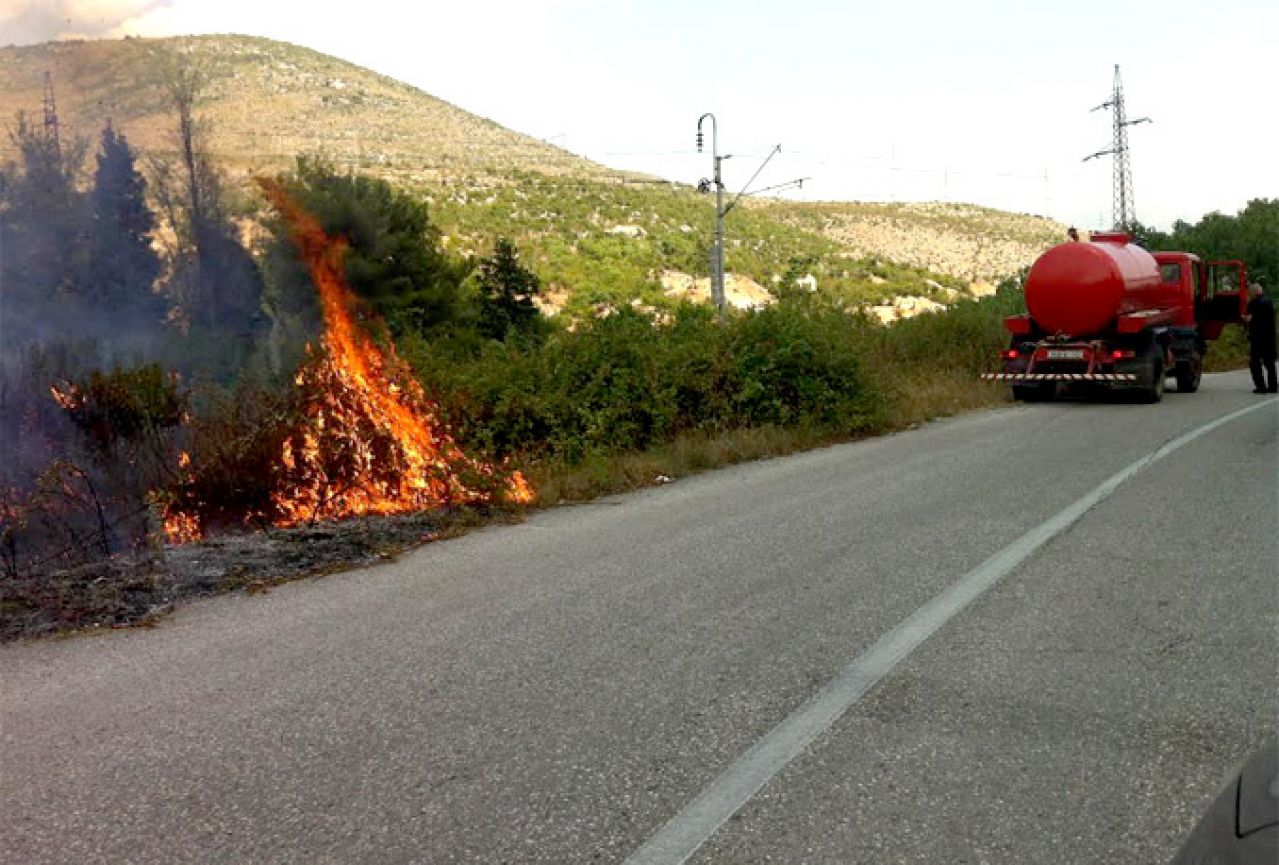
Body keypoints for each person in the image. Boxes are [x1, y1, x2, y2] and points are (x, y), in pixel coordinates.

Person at [1244, 282, 1276, 393]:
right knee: (1269, 362)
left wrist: (1244, 319)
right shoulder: (1269, 302)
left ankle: (1260, 386)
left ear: (1253, 292)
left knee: (1255, 363)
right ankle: (1273, 386)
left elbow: (1249, 318)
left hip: (1257, 337)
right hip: (1269, 336)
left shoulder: (1253, 303)